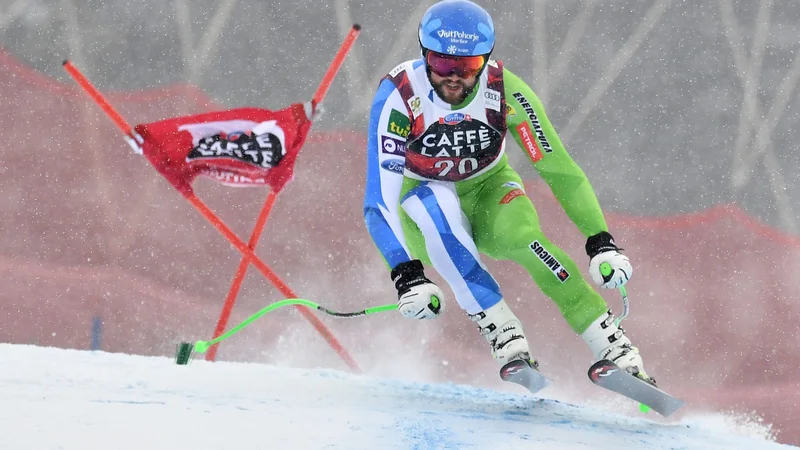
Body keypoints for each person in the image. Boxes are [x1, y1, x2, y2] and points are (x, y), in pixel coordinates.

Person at [363, 0, 652, 383]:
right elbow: (379, 199)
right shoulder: (400, 97)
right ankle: (505, 333)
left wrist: (601, 242)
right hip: (423, 200)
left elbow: (558, 168)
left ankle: (613, 345)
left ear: (486, 61)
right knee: (433, 205)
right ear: (423, 55)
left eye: (466, 68)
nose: (454, 78)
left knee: (528, 242)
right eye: (442, 64)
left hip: (488, 189)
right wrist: (405, 273)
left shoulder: (504, 91)